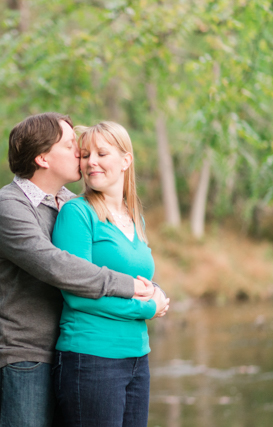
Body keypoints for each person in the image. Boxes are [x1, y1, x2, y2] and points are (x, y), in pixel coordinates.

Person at [0, 113, 169, 427]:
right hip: (24, 352)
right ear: (43, 158)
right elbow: (59, 267)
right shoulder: (9, 206)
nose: (81, 155)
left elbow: (111, 258)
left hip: (65, 346)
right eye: (72, 146)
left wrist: (154, 289)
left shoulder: (68, 202)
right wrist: (132, 290)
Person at [51, 121, 169, 427]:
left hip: (137, 357)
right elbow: (76, 295)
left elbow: (138, 278)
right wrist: (146, 307)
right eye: (86, 154)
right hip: (90, 358)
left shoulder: (134, 217)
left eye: (102, 153)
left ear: (126, 160)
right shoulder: (76, 213)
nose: (92, 162)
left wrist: (158, 293)